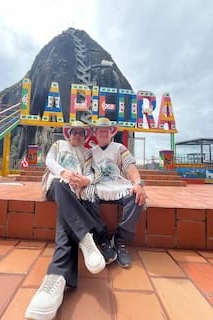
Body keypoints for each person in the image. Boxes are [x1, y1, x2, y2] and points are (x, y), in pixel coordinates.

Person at [25, 120, 107, 320]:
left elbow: (93, 173)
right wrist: (64, 173)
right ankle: (86, 239)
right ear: (68, 133)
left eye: (81, 132)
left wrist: (85, 180)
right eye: (74, 132)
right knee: (62, 186)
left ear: (84, 136)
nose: (77, 135)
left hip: (74, 194)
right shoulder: (58, 145)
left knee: (66, 216)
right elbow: (49, 161)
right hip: (57, 186)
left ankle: (57, 278)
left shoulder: (87, 153)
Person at [90, 117, 147, 268]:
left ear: (111, 132)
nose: (103, 133)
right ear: (95, 133)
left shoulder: (120, 148)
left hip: (119, 186)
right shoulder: (91, 152)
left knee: (137, 196)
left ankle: (120, 239)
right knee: (85, 197)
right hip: (99, 187)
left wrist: (137, 183)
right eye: (100, 130)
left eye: (106, 130)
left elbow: (130, 165)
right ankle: (102, 238)